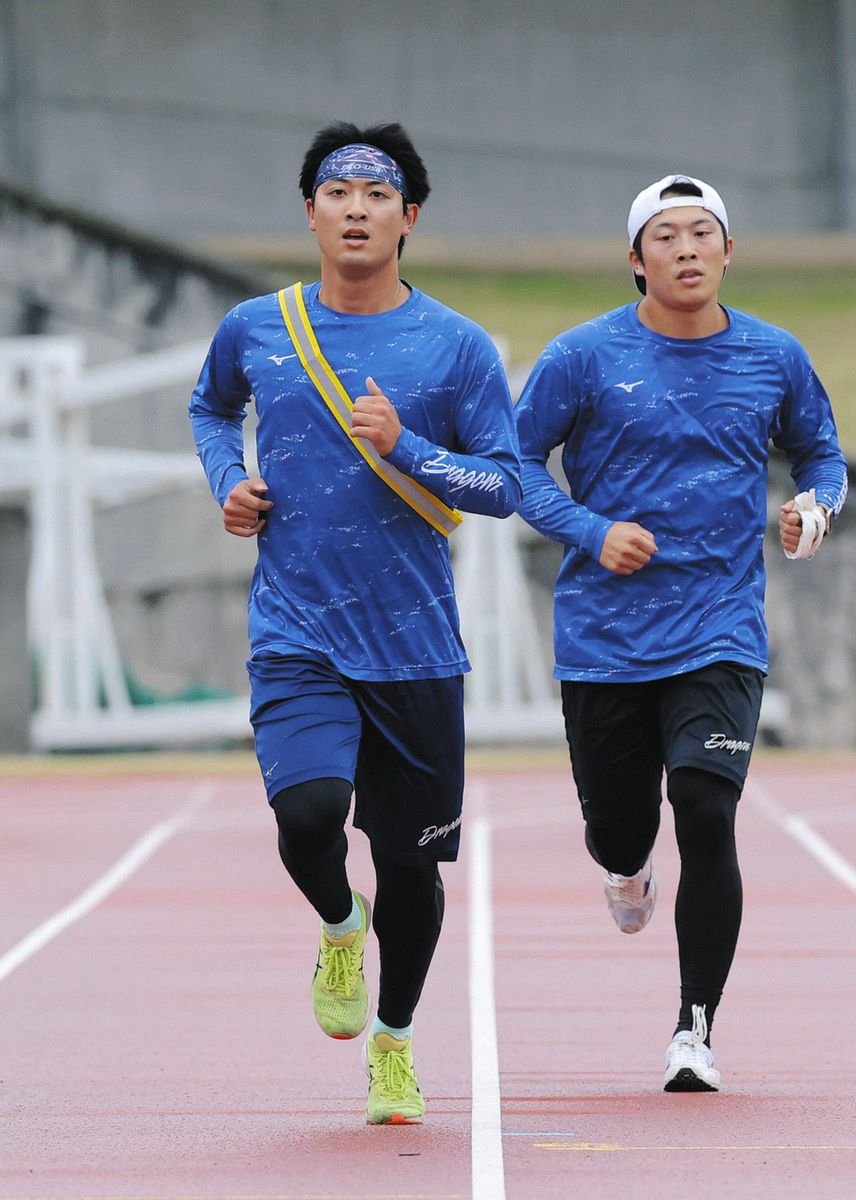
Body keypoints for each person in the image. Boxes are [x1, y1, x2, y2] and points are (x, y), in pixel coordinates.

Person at [188, 121, 521, 1124]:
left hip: (415, 645)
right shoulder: (258, 327)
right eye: (338, 193)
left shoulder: (455, 346)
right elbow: (211, 409)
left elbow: (504, 485)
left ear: (408, 218)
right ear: (311, 212)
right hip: (297, 628)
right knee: (305, 815)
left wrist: (409, 447)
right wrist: (229, 484)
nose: (357, 209)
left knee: (412, 871)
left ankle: (396, 1043)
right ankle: (339, 923)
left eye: (378, 196)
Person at [514, 173, 847, 1092]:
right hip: (604, 639)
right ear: (635, 259)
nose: (688, 249)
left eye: (704, 234)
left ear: (729, 252)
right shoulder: (581, 357)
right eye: (666, 237)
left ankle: (693, 1027)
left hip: (720, 628)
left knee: (705, 809)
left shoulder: (773, 355)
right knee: (619, 830)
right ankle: (623, 869)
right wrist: (590, 529)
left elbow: (820, 452)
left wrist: (811, 510)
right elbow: (514, 464)